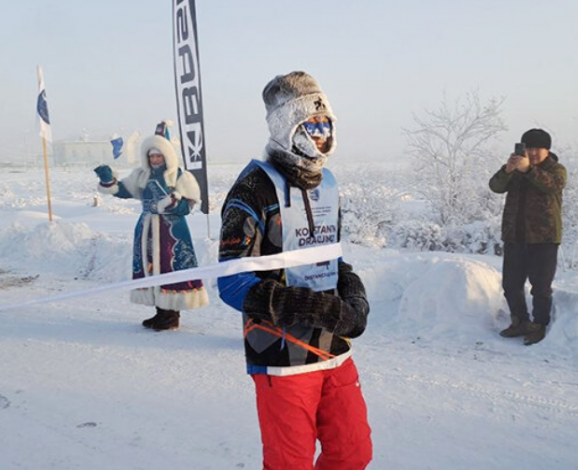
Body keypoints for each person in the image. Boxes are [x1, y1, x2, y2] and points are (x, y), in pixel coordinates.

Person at [218, 71, 372, 470]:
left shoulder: (328, 184)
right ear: (289, 128)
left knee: (352, 452)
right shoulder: (252, 189)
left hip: (332, 346)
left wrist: (352, 293)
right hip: (280, 353)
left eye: (326, 125)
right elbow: (233, 283)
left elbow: (330, 258)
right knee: (291, 462)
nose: (322, 135)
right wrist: (310, 307)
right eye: (311, 125)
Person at [93, 124, 209, 331]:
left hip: (172, 233)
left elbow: (187, 207)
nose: (155, 160)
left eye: (158, 156)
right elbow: (123, 191)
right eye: (151, 156)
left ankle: (171, 315)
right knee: (151, 269)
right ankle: (160, 312)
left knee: (170, 267)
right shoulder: (142, 175)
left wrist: (172, 202)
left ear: (167, 156)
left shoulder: (180, 177)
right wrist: (108, 180)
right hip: (147, 230)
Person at [489, 128, 566, 346]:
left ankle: (538, 325)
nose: (532, 152)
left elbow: (552, 185)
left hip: (544, 238)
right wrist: (508, 169)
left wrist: (528, 169)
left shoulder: (556, 169)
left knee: (540, 287)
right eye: (528, 148)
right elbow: (495, 186)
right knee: (511, 284)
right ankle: (519, 321)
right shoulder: (516, 168)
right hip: (515, 236)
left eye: (537, 148)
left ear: (547, 150)